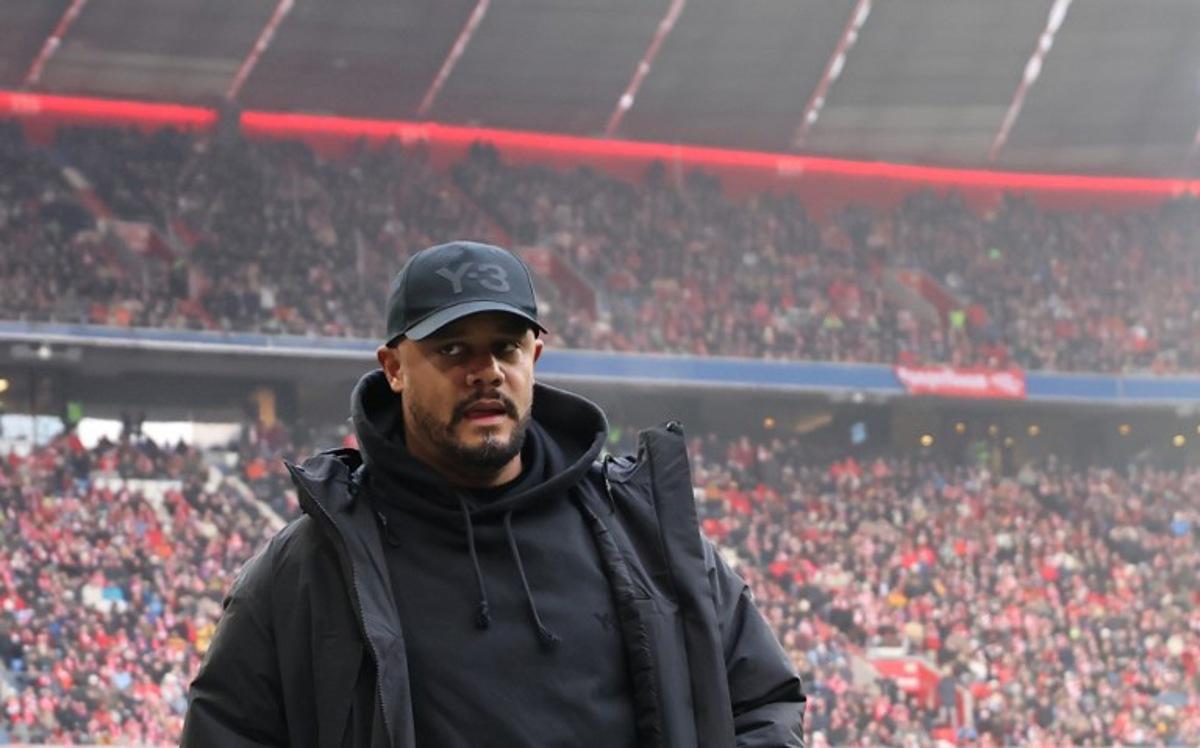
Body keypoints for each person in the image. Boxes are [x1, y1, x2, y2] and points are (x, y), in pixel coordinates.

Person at [182, 241, 805, 747]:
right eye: (452, 349)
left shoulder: (643, 533)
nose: (486, 371)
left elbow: (762, 699)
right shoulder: (305, 570)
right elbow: (228, 733)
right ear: (394, 368)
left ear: (535, 353)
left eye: (505, 346)